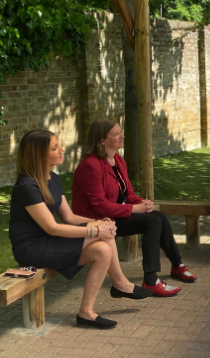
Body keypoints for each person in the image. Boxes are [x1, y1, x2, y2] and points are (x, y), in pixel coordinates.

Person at [9, 130, 152, 330]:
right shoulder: (27, 186)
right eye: (54, 148)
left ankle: (86, 313)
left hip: (49, 240)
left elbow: (69, 217)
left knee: (103, 250)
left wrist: (100, 222)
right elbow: (52, 228)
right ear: (38, 154)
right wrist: (94, 231)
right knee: (102, 237)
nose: (62, 150)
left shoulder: (52, 178)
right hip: (31, 247)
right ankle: (120, 284)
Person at [72, 119, 196, 297]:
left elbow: (128, 193)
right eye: (116, 134)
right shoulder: (90, 165)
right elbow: (99, 205)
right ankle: (151, 280)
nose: (122, 136)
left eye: (120, 132)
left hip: (113, 217)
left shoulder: (118, 160)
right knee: (152, 222)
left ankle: (177, 265)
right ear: (102, 140)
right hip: (96, 222)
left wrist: (143, 203)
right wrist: (135, 210)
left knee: (158, 216)